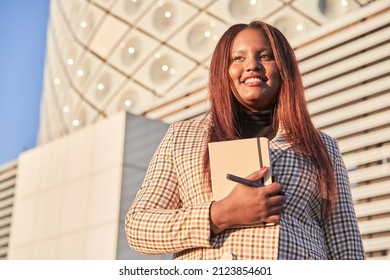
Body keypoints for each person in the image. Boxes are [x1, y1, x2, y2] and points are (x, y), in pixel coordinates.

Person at [125, 20, 365, 260]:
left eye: (266, 56)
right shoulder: (183, 137)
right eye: (238, 58)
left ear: (284, 69)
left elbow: (345, 243)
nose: (252, 65)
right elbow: (138, 226)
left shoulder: (321, 146)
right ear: (223, 70)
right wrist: (220, 214)